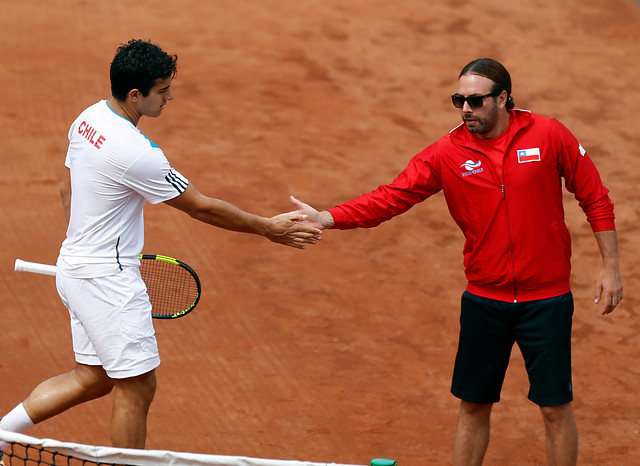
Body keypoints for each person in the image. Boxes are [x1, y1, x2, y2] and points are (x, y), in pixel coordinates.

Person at [0, 38, 322, 460]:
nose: (170, 97)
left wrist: (83, 250)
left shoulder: (88, 118)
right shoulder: (137, 155)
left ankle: (3, 432)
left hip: (75, 265)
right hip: (106, 281)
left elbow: (67, 189)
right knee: (138, 386)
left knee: (93, 378)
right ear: (136, 94)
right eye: (162, 89)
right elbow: (201, 207)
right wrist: (268, 229)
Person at [291, 58, 622, 465]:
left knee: (555, 408)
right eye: (458, 100)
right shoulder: (448, 152)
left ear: (503, 99)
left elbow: (595, 198)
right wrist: (327, 216)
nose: (466, 109)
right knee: (473, 405)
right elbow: (391, 197)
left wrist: (610, 268)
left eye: (476, 101)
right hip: (486, 301)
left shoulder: (549, 135)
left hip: (546, 301)